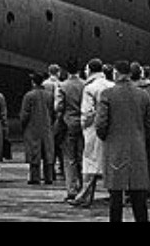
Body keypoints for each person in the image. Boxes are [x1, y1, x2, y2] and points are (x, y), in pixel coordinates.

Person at [95, 59, 150, 222]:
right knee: (139, 196)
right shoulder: (143, 94)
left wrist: (106, 138)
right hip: (137, 148)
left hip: (114, 149)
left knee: (115, 196)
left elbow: (100, 124)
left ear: (115, 73)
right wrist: (141, 137)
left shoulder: (107, 94)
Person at [70, 58, 112, 208]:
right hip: (110, 130)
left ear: (90, 70)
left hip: (93, 130)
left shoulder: (90, 88)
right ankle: (116, 195)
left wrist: (84, 126)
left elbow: (87, 113)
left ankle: (85, 196)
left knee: (90, 163)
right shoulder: (111, 85)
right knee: (109, 162)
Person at [55, 63, 85, 201]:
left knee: (69, 159)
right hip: (83, 124)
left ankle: (72, 189)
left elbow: (58, 106)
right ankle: (83, 187)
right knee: (82, 157)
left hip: (67, 124)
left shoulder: (62, 86)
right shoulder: (85, 84)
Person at [20, 72, 56, 185]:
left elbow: (25, 114)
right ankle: (49, 177)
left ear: (33, 82)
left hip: (33, 127)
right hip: (47, 126)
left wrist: (23, 125)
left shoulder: (29, 95)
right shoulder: (49, 95)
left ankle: (35, 177)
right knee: (48, 152)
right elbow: (53, 111)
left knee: (34, 153)